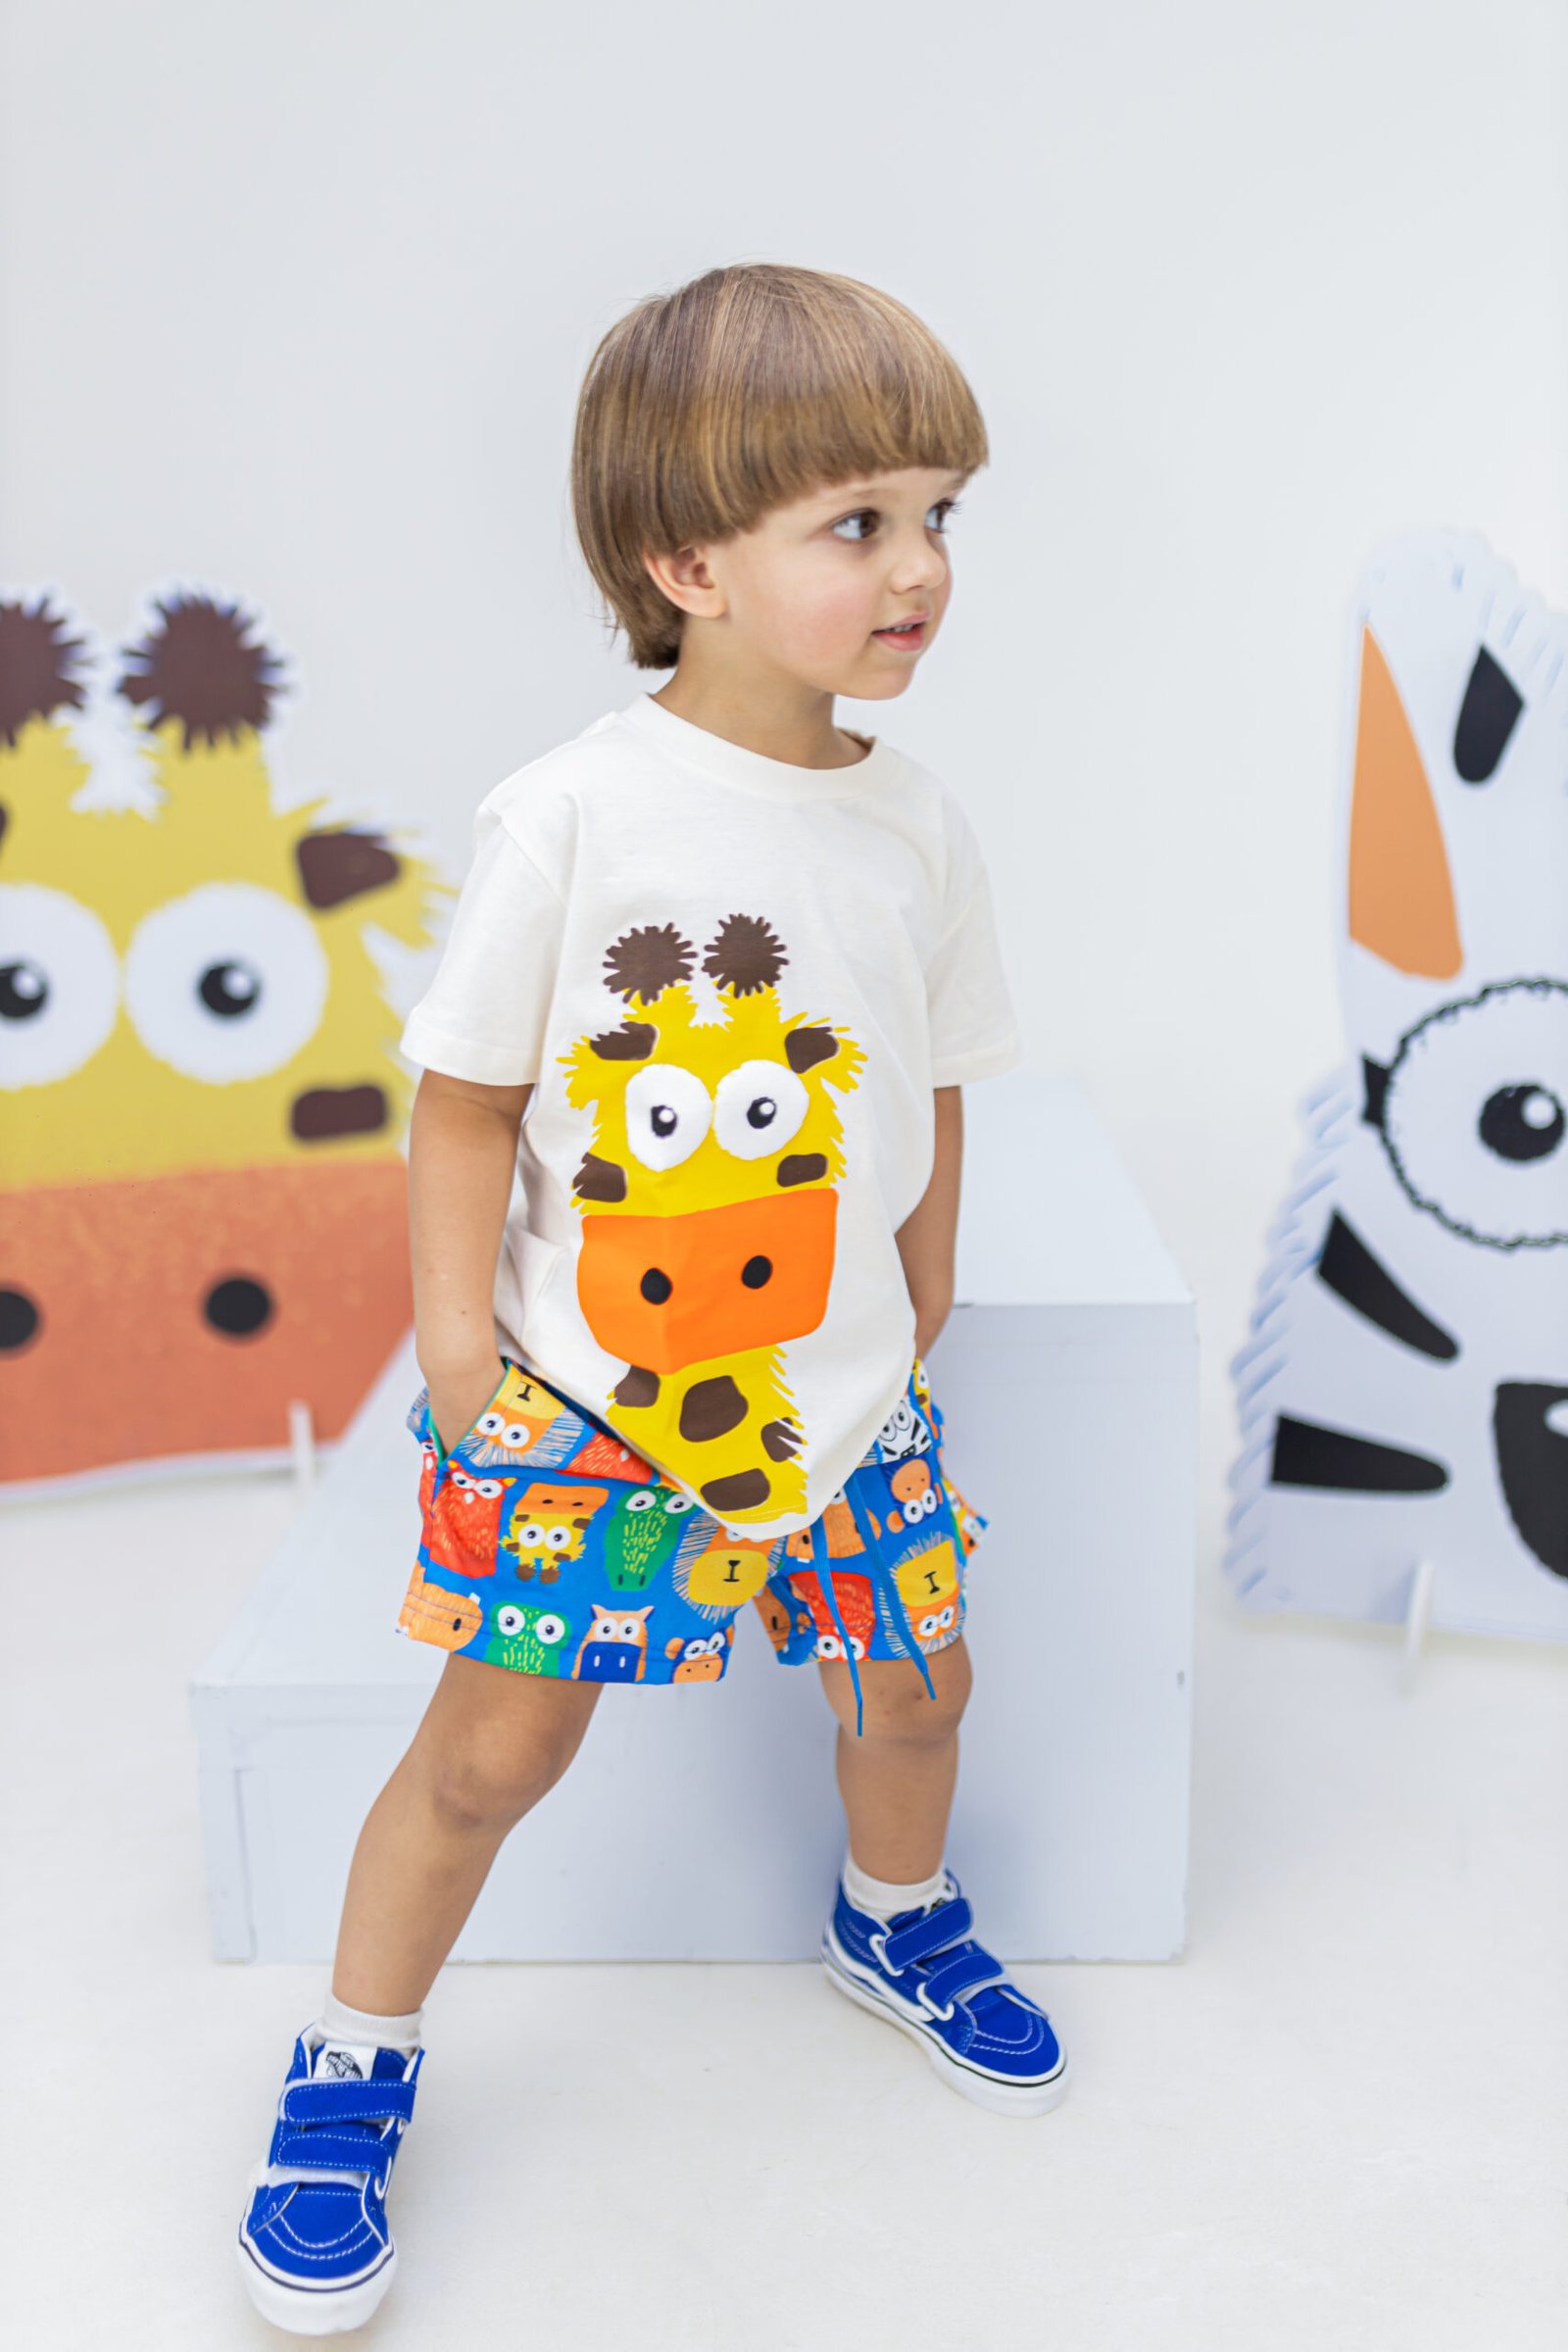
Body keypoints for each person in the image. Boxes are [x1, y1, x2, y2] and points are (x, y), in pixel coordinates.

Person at [236, 261, 1067, 2336]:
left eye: (939, 513)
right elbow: (463, 1099)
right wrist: (459, 1348)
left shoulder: (917, 824)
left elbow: (938, 1077)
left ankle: (891, 1914)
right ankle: (351, 2056)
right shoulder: (574, 815)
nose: (920, 568)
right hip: (588, 1405)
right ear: (684, 563)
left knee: (915, 1690)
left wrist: (926, 1285)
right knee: (489, 1755)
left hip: (845, 1398)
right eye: (856, 523)